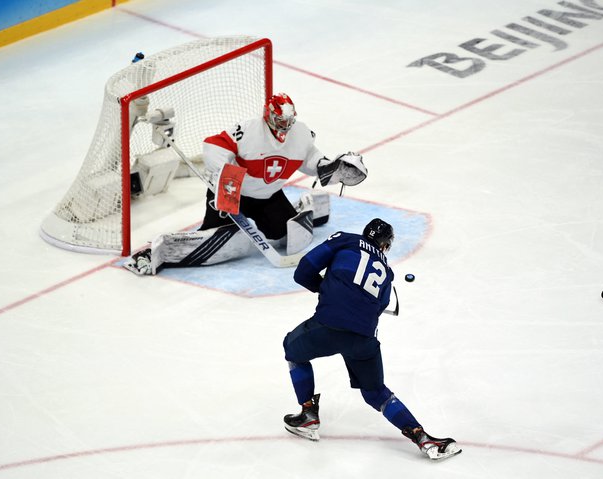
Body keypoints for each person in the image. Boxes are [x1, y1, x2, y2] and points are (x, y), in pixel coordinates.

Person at [124, 92, 367, 275]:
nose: (285, 126)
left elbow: (310, 158)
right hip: (233, 193)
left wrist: (327, 167)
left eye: (288, 121)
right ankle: (156, 253)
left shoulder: (301, 133)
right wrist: (224, 177)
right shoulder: (247, 130)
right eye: (280, 120)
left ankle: (304, 205)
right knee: (216, 237)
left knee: (282, 234)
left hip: (268, 196)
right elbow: (213, 144)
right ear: (269, 115)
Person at [282, 218, 462, 461]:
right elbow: (379, 307)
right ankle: (422, 437)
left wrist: (326, 289)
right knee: (376, 393)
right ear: (385, 245)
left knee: (292, 350)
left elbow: (303, 271)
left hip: (326, 326)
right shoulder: (387, 272)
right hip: (364, 339)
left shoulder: (344, 239)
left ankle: (307, 415)